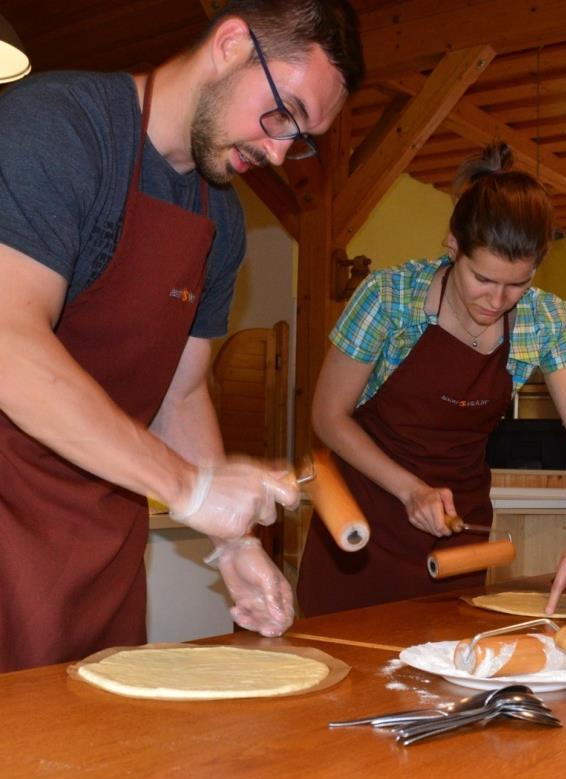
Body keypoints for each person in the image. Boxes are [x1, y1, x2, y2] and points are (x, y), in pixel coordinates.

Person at [0, 0, 364, 671]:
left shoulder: (219, 220)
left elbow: (182, 390)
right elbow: (10, 350)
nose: (280, 151)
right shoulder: (58, 129)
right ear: (230, 43)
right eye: (283, 113)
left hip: (100, 540)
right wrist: (189, 487)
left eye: (301, 137)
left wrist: (232, 544)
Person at [297, 143, 566, 618]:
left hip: (457, 533)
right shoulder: (389, 299)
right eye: (483, 279)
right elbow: (327, 416)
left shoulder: (545, 319)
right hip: (362, 523)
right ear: (453, 247)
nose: (497, 299)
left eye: (517, 284)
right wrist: (410, 490)